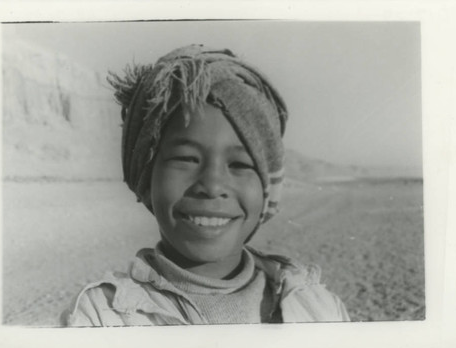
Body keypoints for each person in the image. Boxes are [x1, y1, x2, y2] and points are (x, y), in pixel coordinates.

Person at [61, 44, 350, 326]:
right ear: (146, 178)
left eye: (240, 165)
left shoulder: (317, 309)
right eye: (186, 159)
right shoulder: (101, 318)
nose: (211, 186)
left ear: (267, 190)